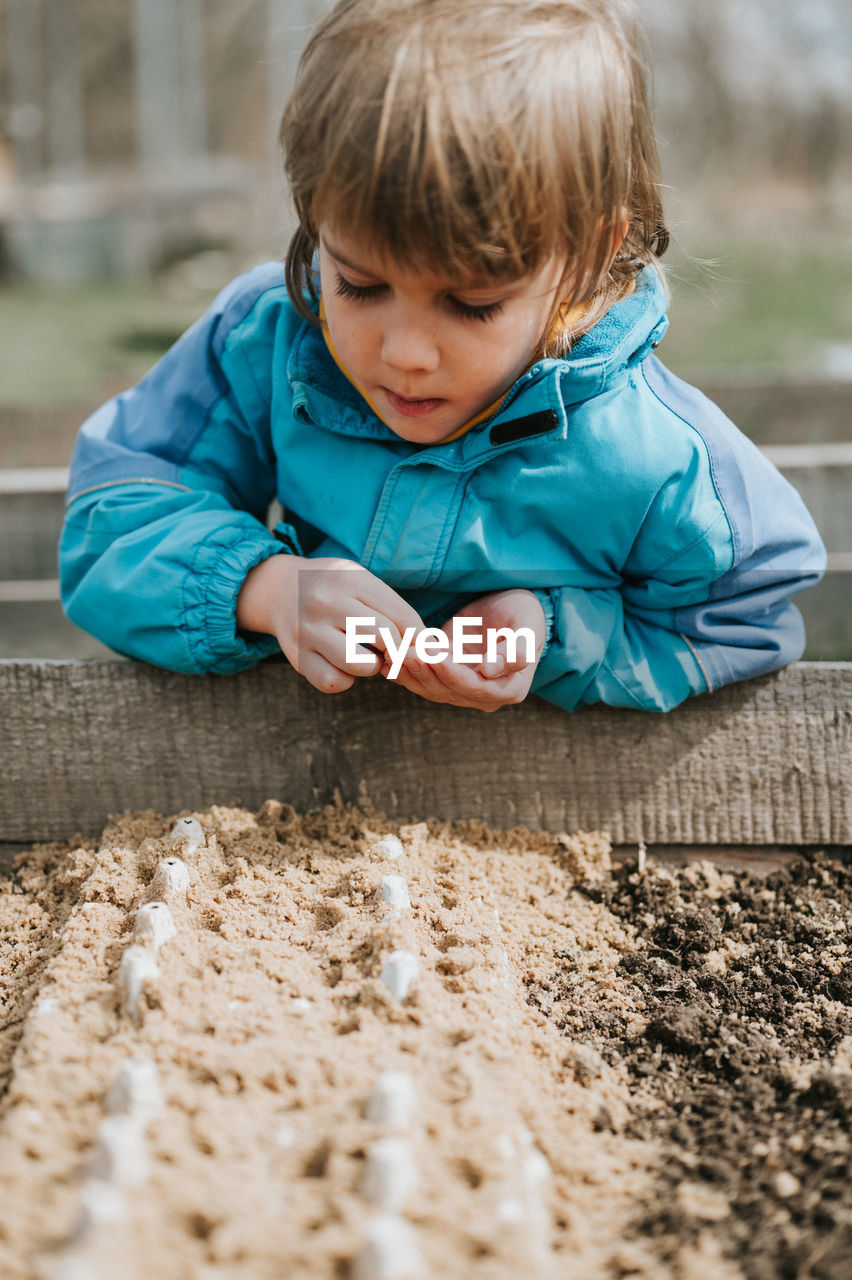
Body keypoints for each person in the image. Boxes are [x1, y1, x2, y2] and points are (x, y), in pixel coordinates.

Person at [59, 0, 825, 713]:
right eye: (359, 283)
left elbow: (745, 620)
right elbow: (112, 521)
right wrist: (265, 587)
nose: (405, 354)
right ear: (315, 217)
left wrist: (554, 630)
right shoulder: (264, 343)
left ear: (589, 254)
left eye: (471, 304)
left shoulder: (657, 454)